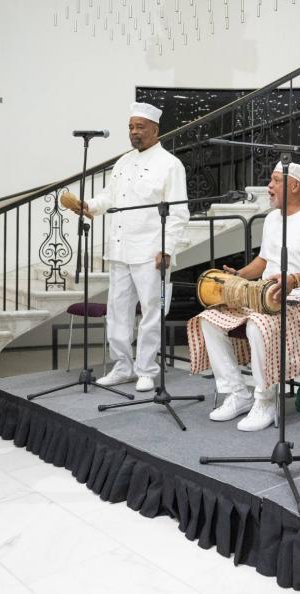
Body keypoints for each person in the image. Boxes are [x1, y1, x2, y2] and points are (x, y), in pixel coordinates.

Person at [188, 162, 300, 431]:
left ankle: (265, 400)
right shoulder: (272, 219)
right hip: (265, 299)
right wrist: (239, 275)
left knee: (258, 325)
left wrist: (295, 280)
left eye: (275, 181)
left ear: (294, 186)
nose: (268, 187)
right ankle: (238, 394)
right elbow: (263, 260)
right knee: (208, 319)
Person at [72, 102, 189, 392]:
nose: (134, 132)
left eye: (140, 127)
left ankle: (146, 369)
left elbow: (179, 212)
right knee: (117, 310)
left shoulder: (170, 164)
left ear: (155, 130)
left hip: (151, 252)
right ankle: (123, 366)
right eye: (130, 127)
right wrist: (90, 207)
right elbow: (109, 196)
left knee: (151, 312)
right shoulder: (123, 162)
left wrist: (168, 247)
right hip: (120, 249)